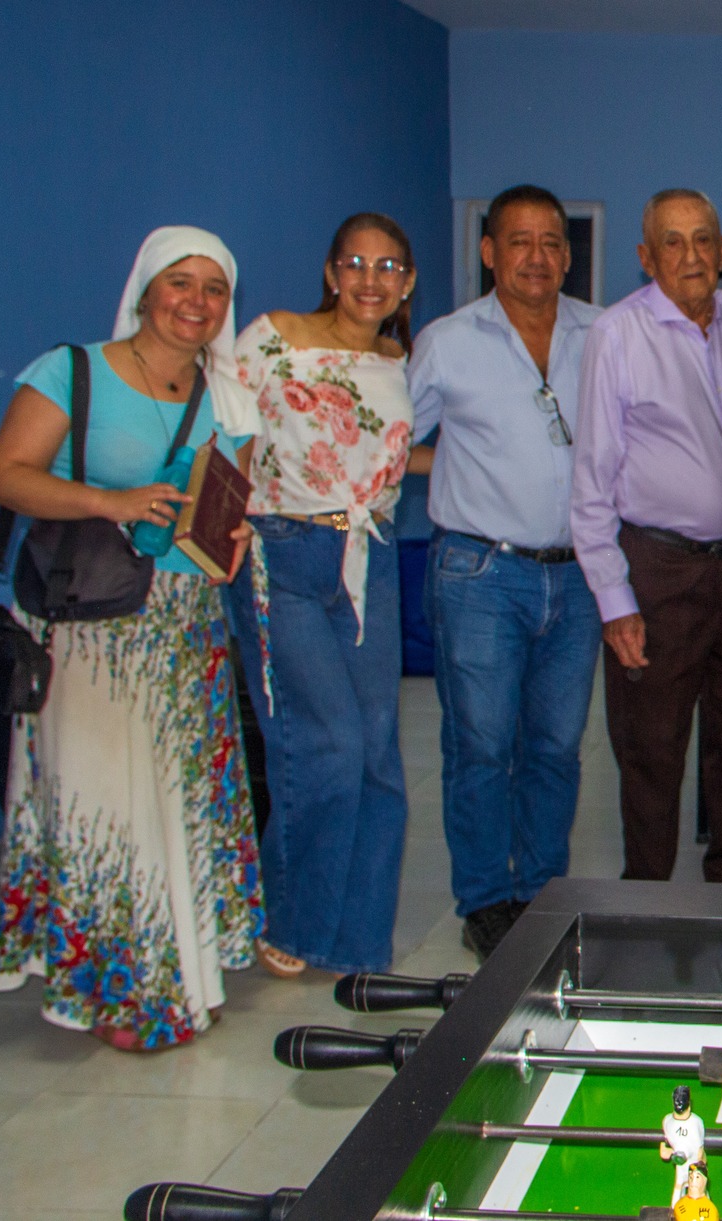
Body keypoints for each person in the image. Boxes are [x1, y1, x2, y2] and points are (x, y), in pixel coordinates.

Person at [0, 226, 261, 1050]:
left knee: (179, 808)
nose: (197, 302)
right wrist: (110, 501)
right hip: (92, 629)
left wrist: (234, 538)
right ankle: (114, 992)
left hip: (186, 632)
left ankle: (183, 973)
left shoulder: (229, 398)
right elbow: (7, 475)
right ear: (145, 288)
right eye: (181, 282)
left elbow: (227, 502)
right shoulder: (72, 372)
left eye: (214, 288)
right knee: (104, 811)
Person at [410, 185, 602, 960]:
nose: (537, 256)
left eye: (552, 241)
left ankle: (543, 891)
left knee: (555, 746)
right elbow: (389, 441)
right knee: (482, 745)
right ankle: (487, 897)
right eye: (519, 241)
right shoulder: (448, 341)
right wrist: (457, 466)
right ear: (489, 251)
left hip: (579, 576)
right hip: (480, 572)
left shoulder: (601, 332)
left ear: (568, 254)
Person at [228, 213, 418, 980]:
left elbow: (380, 454)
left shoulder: (396, 359)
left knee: (377, 755)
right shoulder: (274, 335)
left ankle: (359, 939)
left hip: (370, 555)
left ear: (406, 281)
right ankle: (293, 919)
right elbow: (227, 432)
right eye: (356, 263)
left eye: (388, 266)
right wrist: (221, 526)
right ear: (332, 272)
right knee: (327, 743)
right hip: (282, 552)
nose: (371, 279)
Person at [572, 189, 722, 883]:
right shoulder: (617, 334)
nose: (691, 255)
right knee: (651, 749)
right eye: (673, 241)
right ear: (646, 256)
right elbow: (591, 479)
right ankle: (649, 899)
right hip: (658, 572)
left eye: (703, 239)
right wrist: (614, 601)